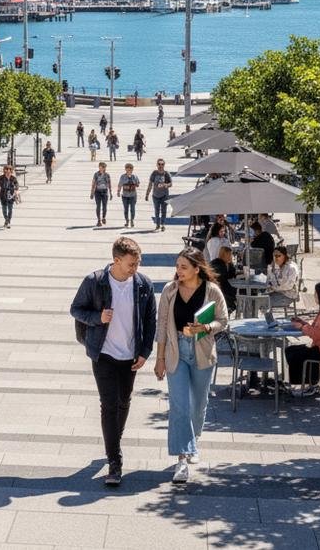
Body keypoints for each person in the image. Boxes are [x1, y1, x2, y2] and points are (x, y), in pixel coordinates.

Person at [70, 236, 157, 486]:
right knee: (108, 405)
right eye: (131, 264)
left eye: (138, 263)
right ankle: (115, 460)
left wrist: (145, 351)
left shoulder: (142, 284)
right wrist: (98, 317)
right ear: (116, 260)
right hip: (104, 354)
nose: (135, 268)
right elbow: (76, 309)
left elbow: (150, 320)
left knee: (124, 402)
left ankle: (112, 443)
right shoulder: (95, 281)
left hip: (130, 355)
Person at [154, 249, 229, 483]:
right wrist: (159, 359)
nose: (179, 271)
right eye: (177, 266)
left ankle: (193, 440)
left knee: (198, 403)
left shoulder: (212, 290)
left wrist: (206, 328)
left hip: (202, 352)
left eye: (184, 267)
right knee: (179, 406)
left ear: (197, 268)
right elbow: (162, 325)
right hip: (176, 350)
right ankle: (182, 458)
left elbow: (223, 321)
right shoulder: (170, 290)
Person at [145, 159, 173, 232]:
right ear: (157, 165)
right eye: (159, 164)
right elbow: (150, 184)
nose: (160, 166)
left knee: (164, 211)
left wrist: (165, 185)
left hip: (164, 195)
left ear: (164, 165)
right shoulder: (154, 173)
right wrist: (147, 194)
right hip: (155, 195)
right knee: (156, 211)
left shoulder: (166, 174)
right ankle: (157, 225)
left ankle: (163, 224)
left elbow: (171, 184)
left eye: (162, 164)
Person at [211, 246, 238, 313]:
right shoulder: (217, 264)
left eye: (231, 255)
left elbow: (232, 275)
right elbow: (222, 277)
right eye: (228, 255)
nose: (230, 257)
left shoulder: (228, 264)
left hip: (227, 288)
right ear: (223, 255)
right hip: (220, 289)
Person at [0, 164, 19, 229]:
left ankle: (8, 221)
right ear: (4, 170)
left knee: (10, 209)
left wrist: (16, 189)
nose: (7, 171)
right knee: (4, 209)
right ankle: (6, 219)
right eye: (6, 169)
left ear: (11, 171)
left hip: (11, 195)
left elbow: (17, 185)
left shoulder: (13, 178)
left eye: (9, 170)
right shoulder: (1, 177)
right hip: (3, 195)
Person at [90, 162, 112, 228]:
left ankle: (104, 217)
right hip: (97, 192)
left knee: (105, 206)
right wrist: (92, 193)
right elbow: (93, 183)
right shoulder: (96, 174)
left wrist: (110, 193)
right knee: (98, 206)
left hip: (105, 192)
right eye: (101, 167)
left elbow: (109, 184)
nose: (102, 168)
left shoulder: (107, 175)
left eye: (103, 167)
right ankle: (99, 220)